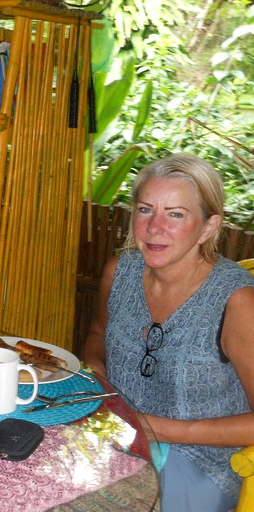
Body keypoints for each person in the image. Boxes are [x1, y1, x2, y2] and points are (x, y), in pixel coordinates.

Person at [83, 153, 254, 511]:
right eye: (146, 210)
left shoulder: (237, 302)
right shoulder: (120, 272)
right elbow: (98, 335)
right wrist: (96, 379)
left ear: (208, 227)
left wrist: (154, 427)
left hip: (201, 462)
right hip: (115, 438)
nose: (154, 227)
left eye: (175, 214)